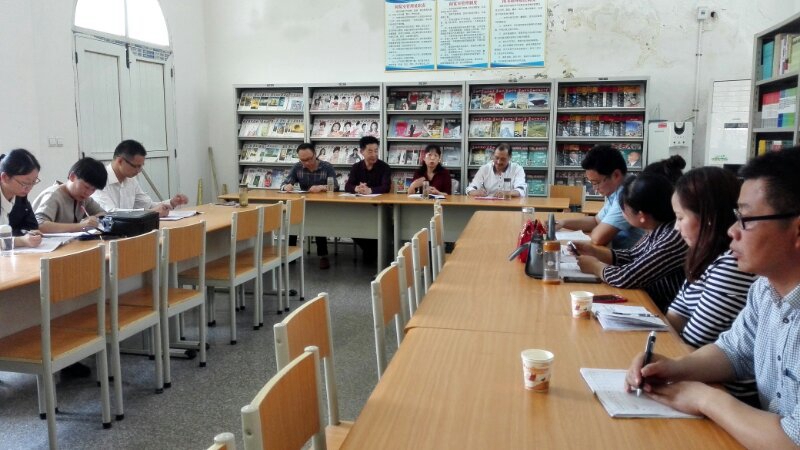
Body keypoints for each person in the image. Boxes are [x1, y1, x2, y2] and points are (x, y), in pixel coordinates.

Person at [625, 148, 800, 448]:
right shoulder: (764, 289)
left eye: (745, 219)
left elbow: (792, 441)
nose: (732, 230)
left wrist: (704, 399)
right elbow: (733, 352)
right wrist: (675, 367)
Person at [666, 166, 758, 403]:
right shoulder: (707, 258)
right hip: (703, 384)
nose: (676, 227)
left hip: (723, 392)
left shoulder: (732, 265)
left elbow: (693, 342)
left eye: (680, 218)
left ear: (708, 217)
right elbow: (673, 319)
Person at [573, 172, 688, 312]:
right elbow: (632, 255)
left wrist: (595, 266)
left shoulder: (672, 238)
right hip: (649, 301)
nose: (622, 214)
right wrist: (594, 252)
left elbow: (626, 277)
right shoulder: (657, 230)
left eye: (623, 209)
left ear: (641, 215)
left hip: (661, 309)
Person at [557, 145, 645, 249]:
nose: (595, 188)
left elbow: (598, 238)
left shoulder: (628, 194)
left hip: (630, 257)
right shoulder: (617, 189)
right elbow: (596, 221)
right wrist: (562, 223)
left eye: (596, 182)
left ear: (616, 175)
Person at [92, 140, 188, 217]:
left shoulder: (131, 180)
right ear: (120, 161)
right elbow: (110, 213)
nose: (139, 171)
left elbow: (148, 205)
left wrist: (171, 203)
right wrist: (151, 212)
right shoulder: (99, 178)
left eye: (141, 166)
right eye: (136, 166)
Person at [281, 143, 337, 269]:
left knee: (318, 222)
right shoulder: (298, 167)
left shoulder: (326, 167)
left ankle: (323, 255)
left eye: (309, 159)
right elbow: (284, 183)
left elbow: (336, 186)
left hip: (321, 206)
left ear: (315, 155)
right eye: (303, 160)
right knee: (292, 219)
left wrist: (322, 187)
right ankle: (290, 254)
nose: (306, 163)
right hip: (303, 204)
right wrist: (286, 187)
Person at [32, 157, 108, 233]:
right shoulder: (53, 195)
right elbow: (39, 225)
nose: (88, 193)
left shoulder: (83, 198)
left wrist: (93, 219)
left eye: (93, 190)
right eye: (86, 187)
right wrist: (80, 226)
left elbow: (104, 214)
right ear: (72, 176)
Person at [345, 136, 390, 262]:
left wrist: (370, 190)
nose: (374, 154)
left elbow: (386, 187)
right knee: (348, 225)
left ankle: (373, 252)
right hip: (359, 209)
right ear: (362, 152)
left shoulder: (384, 167)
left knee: (375, 227)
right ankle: (371, 250)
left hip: (378, 209)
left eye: (376, 151)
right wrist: (357, 188)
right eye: (370, 151)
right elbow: (348, 186)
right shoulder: (356, 167)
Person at [0, 149, 42, 248]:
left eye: (33, 182)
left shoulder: (20, 197)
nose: (29, 188)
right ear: (5, 177)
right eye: (25, 183)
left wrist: (30, 234)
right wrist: (20, 241)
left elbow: (31, 227)